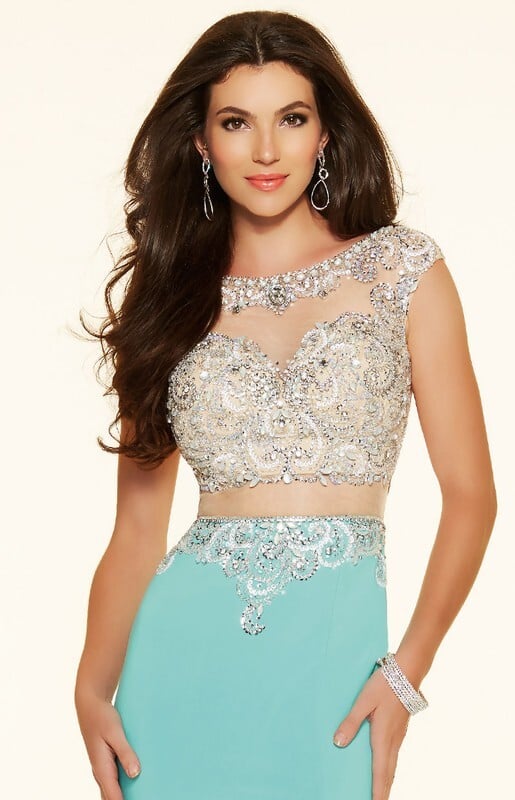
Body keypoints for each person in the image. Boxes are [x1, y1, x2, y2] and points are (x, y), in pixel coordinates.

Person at [74, 9, 497, 800]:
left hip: (335, 679)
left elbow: (471, 498)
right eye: (236, 122)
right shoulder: (166, 298)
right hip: (174, 677)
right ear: (201, 143)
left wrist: (405, 673)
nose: (266, 150)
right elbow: (135, 531)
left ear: (325, 132)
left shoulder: (401, 270)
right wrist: (92, 690)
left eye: (291, 119)